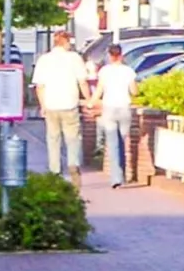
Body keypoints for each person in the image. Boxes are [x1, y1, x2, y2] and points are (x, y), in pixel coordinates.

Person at [32, 30, 91, 186]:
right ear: (65, 42)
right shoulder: (74, 58)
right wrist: (89, 99)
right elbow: (82, 82)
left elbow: (39, 86)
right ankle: (73, 164)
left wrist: (42, 105)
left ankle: (55, 171)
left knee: (53, 139)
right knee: (72, 138)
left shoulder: (44, 60)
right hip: (69, 104)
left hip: (51, 104)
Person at [92, 45, 138, 187]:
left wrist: (91, 102)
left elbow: (99, 89)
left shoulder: (104, 71)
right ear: (121, 55)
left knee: (112, 144)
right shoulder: (128, 71)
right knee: (122, 142)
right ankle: (122, 174)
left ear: (110, 56)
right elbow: (134, 91)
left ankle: (116, 178)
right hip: (124, 107)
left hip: (109, 108)